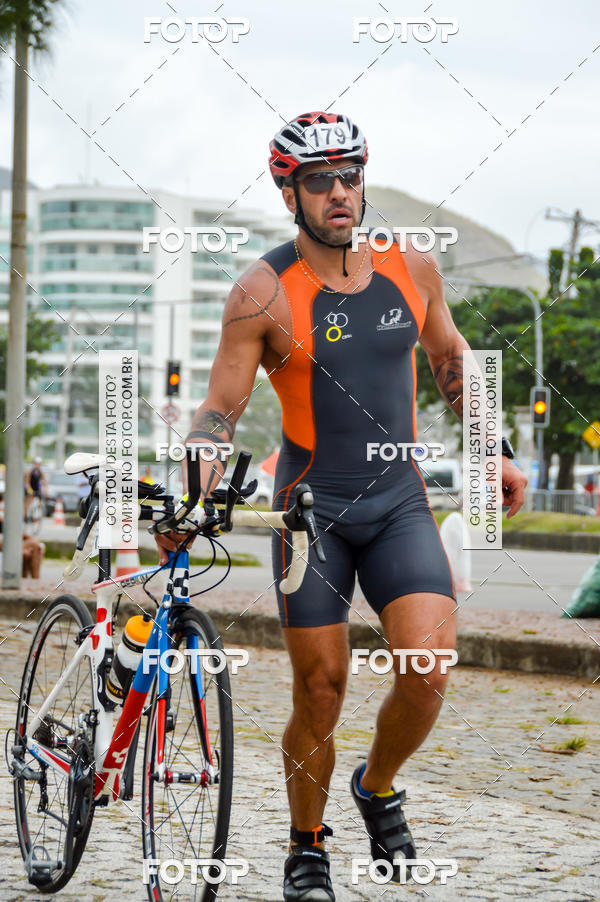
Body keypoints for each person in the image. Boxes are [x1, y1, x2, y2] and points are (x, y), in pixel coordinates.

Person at [156, 111, 528, 901]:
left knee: (427, 668)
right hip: (310, 511)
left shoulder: (411, 267)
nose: (340, 192)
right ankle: (306, 845)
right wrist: (188, 496)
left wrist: (492, 450)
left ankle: (377, 784)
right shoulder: (261, 291)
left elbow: (451, 357)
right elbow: (219, 411)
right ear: (287, 189)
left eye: (350, 175)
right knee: (320, 689)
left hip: (399, 503)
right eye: (320, 180)